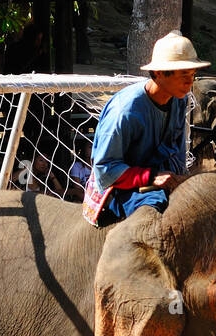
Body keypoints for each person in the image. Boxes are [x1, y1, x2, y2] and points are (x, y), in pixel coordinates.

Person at [82, 31, 207, 227]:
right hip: (122, 187)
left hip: (161, 175)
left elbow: (176, 148)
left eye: (192, 75)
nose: (189, 82)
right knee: (154, 210)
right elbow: (105, 169)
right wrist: (151, 177)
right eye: (183, 74)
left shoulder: (179, 101)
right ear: (159, 73)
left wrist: (180, 178)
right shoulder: (125, 111)